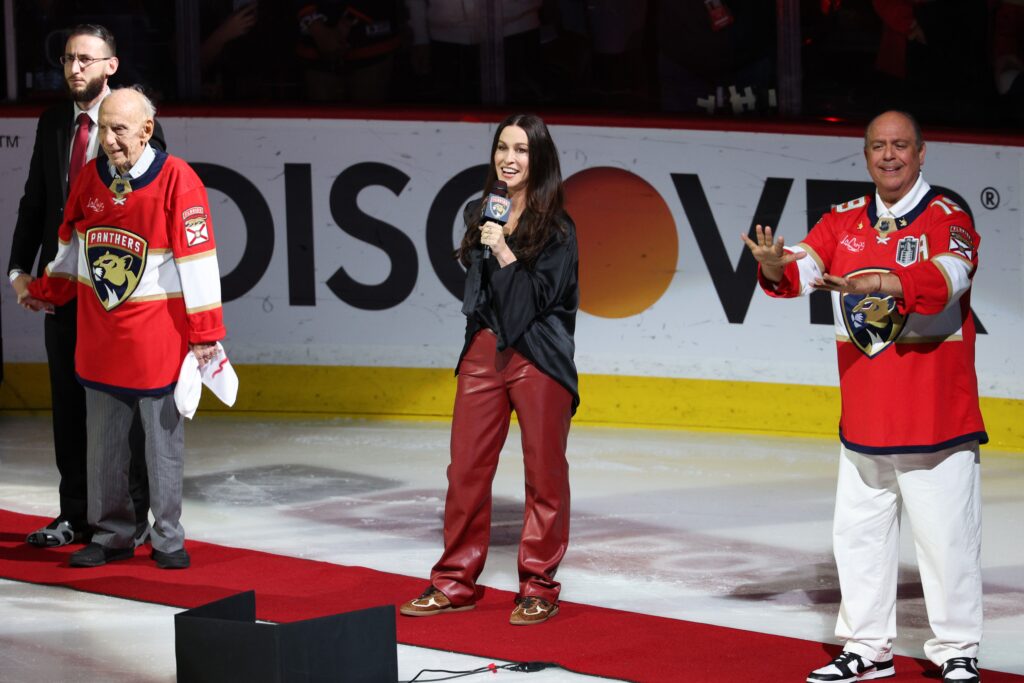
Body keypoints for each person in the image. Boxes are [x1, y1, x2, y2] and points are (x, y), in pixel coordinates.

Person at [741, 110, 985, 683]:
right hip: (865, 422)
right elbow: (802, 268)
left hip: (937, 422)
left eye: (901, 145)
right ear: (866, 154)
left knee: (947, 543)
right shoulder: (843, 221)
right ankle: (866, 647)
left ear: (923, 153)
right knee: (858, 540)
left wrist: (885, 281)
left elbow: (953, 274)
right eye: (878, 146)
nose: (889, 155)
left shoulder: (948, 217)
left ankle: (956, 650)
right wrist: (778, 266)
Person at [19, 87, 226, 570]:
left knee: (161, 449)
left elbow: (200, 267)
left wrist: (204, 334)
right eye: (104, 129)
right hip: (101, 341)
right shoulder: (90, 179)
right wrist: (46, 291)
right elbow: (71, 252)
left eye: (120, 130)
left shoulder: (179, 181)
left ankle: (168, 537)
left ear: (147, 130)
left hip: (158, 344)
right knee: (104, 450)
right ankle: (112, 534)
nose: (109, 140)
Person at [400, 113, 578, 625]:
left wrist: (501, 247)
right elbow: (476, 295)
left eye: (522, 150)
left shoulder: (559, 231)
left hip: (538, 356)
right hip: (484, 351)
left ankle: (538, 585)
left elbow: (530, 305)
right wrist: (489, 236)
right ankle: (453, 581)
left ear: (539, 159)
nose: (509, 158)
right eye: (503, 147)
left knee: (544, 477)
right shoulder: (484, 211)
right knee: (466, 472)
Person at [7, 24, 166, 550]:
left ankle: (133, 514)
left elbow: (147, 217)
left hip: (116, 298)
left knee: (125, 412)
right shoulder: (54, 123)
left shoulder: (137, 124)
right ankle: (73, 513)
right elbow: (36, 202)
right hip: (63, 292)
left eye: (86, 60)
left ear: (111, 66)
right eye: (69, 59)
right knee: (68, 407)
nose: (74, 68)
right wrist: (19, 271)